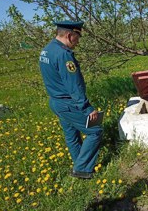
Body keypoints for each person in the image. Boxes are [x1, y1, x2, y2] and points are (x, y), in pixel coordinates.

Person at [39, 20, 102, 179]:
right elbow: (74, 85)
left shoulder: (46, 50)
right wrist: (87, 108)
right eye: (77, 37)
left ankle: (80, 163)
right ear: (69, 35)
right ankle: (82, 169)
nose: (78, 41)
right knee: (95, 131)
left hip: (56, 102)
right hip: (69, 103)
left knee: (72, 135)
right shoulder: (64, 55)